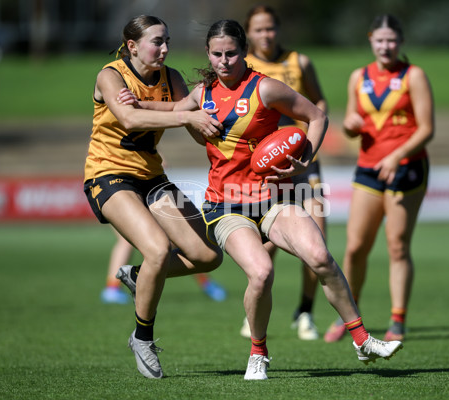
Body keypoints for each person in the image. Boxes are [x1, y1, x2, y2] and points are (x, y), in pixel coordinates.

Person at [120, 18, 403, 380]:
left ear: (245, 52)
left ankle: (362, 340)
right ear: (208, 54)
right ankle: (258, 353)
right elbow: (173, 110)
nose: (224, 61)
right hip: (225, 206)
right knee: (262, 272)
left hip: (272, 199)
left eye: (232, 53)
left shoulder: (266, 89)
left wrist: (306, 157)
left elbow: (316, 117)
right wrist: (136, 102)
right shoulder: (201, 95)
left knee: (320, 257)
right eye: (217, 54)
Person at [83, 15, 225, 380]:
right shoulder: (111, 75)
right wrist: (185, 115)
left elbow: (192, 122)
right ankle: (142, 337)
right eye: (156, 42)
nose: (164, 49)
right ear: (132, 46)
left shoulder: (172, 78)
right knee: (158, 250)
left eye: (167, 41)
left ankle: (140, 275)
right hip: (108, 175)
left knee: (208, 255)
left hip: (152, 177)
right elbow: (129, 119)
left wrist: (207, 124)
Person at [323, 14, 434, 343]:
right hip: (369, 168)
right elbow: (349, 125)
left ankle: (398, 319)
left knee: (397, 246)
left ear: (400, 42)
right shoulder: (359, 76)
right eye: (380, 40)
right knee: (355, 248)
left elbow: (427, 129)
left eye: (392, 40)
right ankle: (349, 318)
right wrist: (349, 125)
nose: (386, 46)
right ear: (371, 40)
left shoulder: (414, 76)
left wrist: (397, 156)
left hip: (407, 168)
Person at [239, 4, 328, 341]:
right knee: (269, 240)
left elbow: (320, 105)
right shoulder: (243, 66)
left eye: (270, 28)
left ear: (278, 29)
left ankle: (305, 312)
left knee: (318, 238)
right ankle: (255, 309)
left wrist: (310, 150)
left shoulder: (299, 62)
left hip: (304, 160)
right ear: (249, 33)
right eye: (259, 30)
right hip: (267, 166)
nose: (266, 35)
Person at [101, 229, 227, 304]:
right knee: (125, 241)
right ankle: (113, 288)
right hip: (118, 192)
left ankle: (206, 283)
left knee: (173, 242)